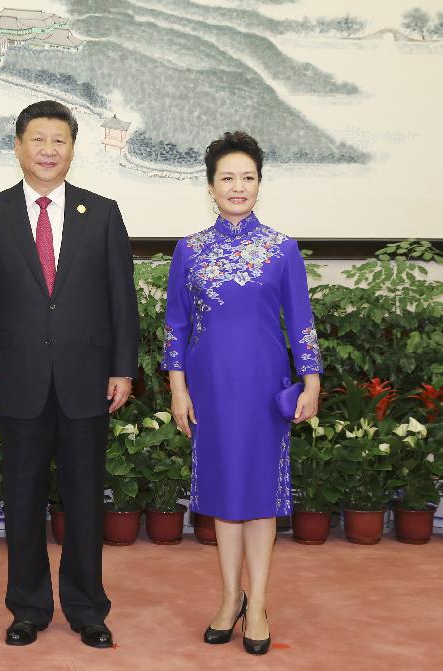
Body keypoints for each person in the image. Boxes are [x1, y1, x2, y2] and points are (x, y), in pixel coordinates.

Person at [0, 100, 139, 649]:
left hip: (88, 379)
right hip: (18, 379)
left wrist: (123, 369)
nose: (47, 150)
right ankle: (29, 608)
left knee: (86, 501)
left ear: (71, 148)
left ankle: (88, 608)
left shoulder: (102, 212)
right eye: (37, 139)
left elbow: (122, 302)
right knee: (21, 501)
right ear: (18, 146)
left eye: (58, 140)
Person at [162, 131, 322, 655]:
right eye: (227, 178)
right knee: (223, 499)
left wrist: (313, 380)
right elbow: (176, 328)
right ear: (210, 186)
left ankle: (259, 605)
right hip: (209, 392)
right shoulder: (189, 250)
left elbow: (301, 321)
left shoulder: (282, 249)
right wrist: (177, 390)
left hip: (263, 389)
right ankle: (230, 598)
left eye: (247, 178)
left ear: (259, 184)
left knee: (259, 501)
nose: (237, 187)